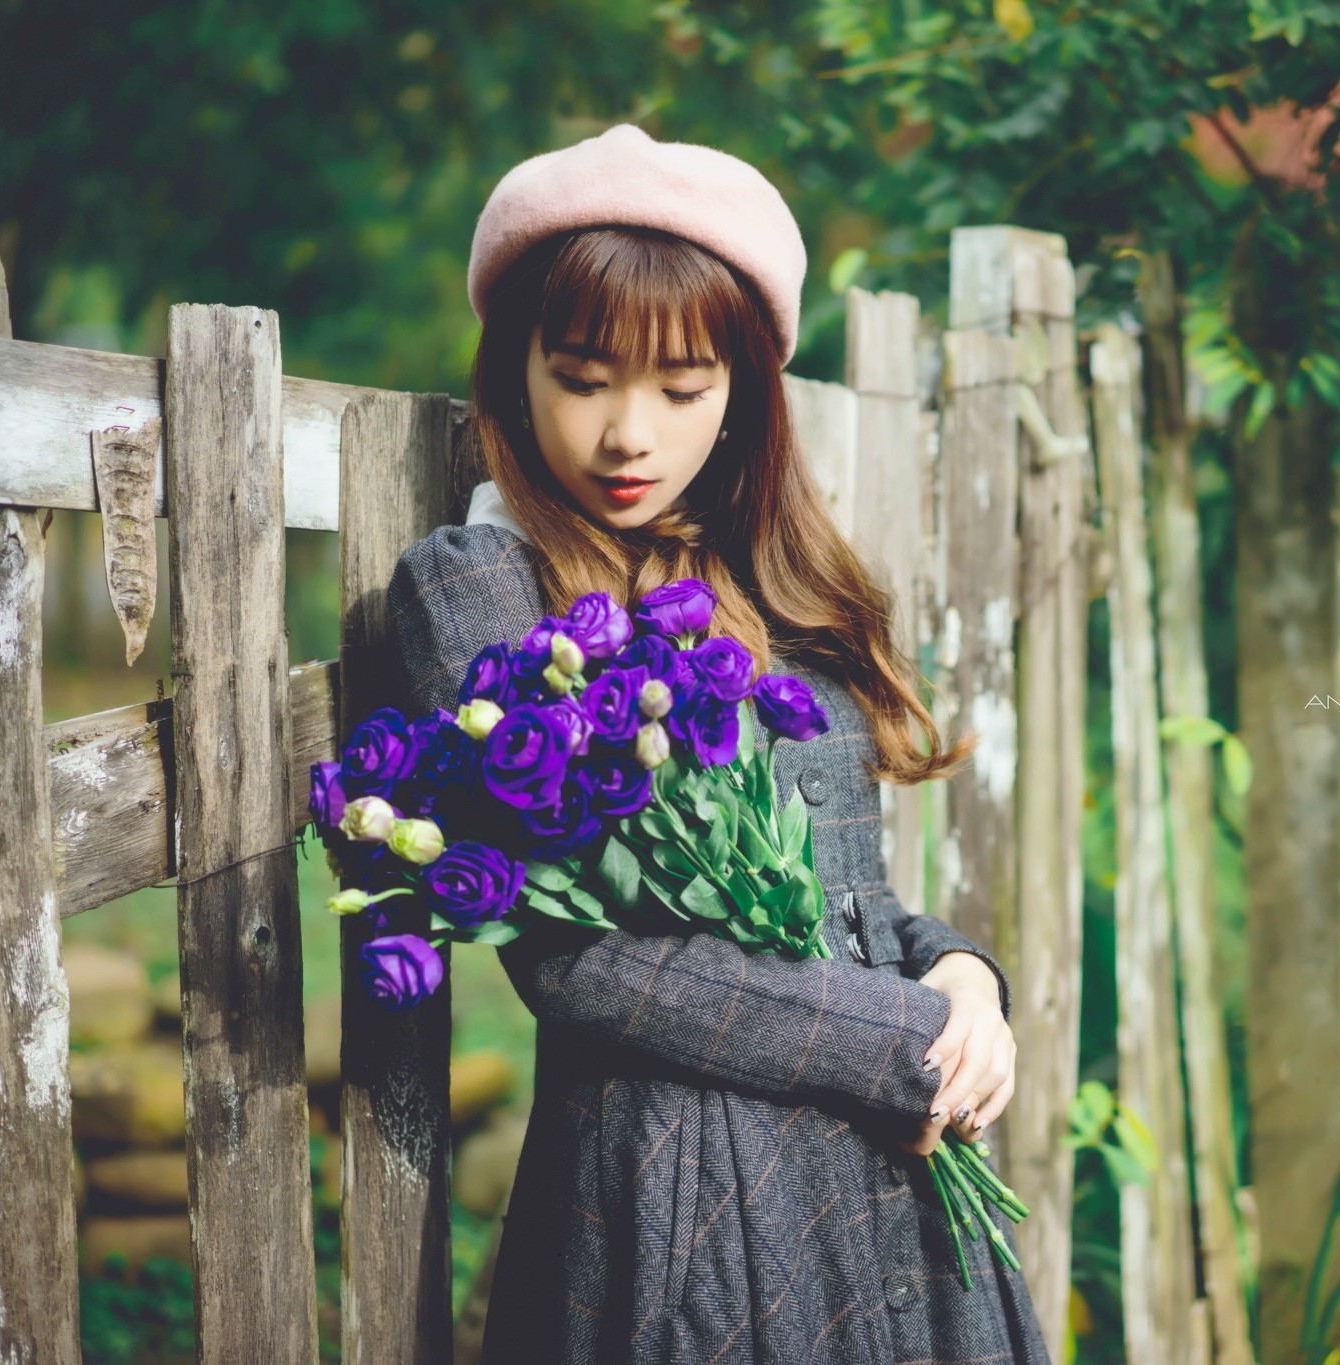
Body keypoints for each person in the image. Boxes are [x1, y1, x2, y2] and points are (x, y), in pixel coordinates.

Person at [384, 123, 1052, 1364]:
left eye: (680, 388)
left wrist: (961, 978)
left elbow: (845, 898)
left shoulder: (772, 583)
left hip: (894, 1192)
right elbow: (571, 958)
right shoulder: (482, 583)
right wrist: (894, 1038)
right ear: (513, 367)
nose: (628, 433)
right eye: (582, 377)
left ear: (742, 389)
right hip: (686, 1202)